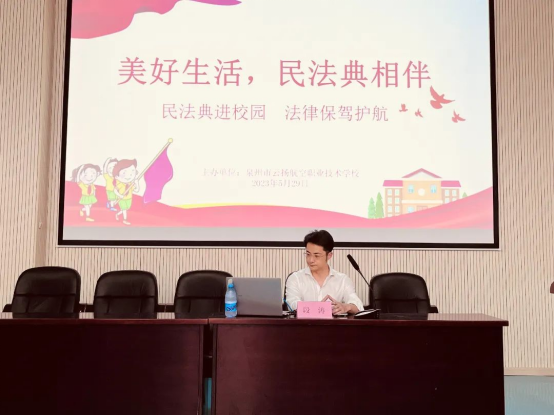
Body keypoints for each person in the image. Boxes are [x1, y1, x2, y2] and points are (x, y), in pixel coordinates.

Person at [285, 230, 364, 315]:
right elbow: (293, 304)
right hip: (304, 323)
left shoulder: (343, 280)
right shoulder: (295, 278)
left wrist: (345, 307)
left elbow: (358, 307)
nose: (311, 260)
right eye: (308, 254)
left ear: (329, 255)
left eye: (316, 255)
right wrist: (319, 308)